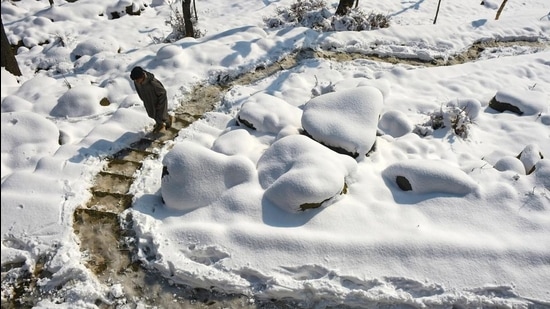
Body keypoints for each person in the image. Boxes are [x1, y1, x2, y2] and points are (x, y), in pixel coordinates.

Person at [130, 66, 172, 132]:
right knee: (152, 114)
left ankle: (168, 120)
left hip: (158, 101)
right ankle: (160, 124)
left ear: (142, 76)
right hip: (148, 100)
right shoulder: (137, 82)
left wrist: (160, 104)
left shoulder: (152, 83)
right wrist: (143, 98)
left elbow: (163, 92)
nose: (136, 81)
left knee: (162, 115)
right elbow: (139, 90)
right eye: (135, 80)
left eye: (137, 80)